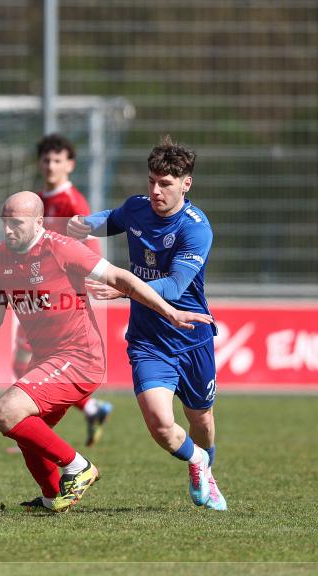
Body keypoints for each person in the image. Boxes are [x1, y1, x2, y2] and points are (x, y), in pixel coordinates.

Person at [0, 191, 212, 513]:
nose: (8, 231)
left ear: (38, 222)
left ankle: (78, 467)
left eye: (16, 224)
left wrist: (170, 312)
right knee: (27, 434)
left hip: (80, 357)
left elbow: (121, 277)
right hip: (47, 360)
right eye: (4, 223)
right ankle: (53, 499)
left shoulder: (60, 248)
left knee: (6, 411)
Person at [66, 136, 226, 511]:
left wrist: (122, 290)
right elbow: (113, 219)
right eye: (152, 181)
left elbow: (174, 286)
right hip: (148, 340)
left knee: (200, 417)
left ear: (186, 184)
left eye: (165, 184)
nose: (155, 190)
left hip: (191, 336)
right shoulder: (138, 208)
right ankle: (197, 461)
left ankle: (207, 465)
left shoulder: (196, 229)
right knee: (159, 423)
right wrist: (85, 224)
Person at [17, 133, 112, 447]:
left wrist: (86, 283)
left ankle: (31, 429)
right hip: (38, 293)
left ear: (70, 165)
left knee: (34, 360)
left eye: (57, 160)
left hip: (60, 298)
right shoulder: (39, 201)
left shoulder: (73, 202)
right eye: (46, 159)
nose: (50, 165)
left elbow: (90, 249)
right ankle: (88, 411)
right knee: (30, 360)